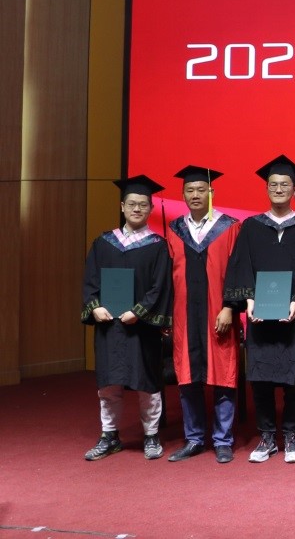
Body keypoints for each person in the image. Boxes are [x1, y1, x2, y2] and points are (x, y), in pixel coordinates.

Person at [223, 154, 295, 464]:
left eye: (285, 185)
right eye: (273, 184)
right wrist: (249, 300)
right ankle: (267, 436)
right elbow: (241, 266)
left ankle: (292, 435)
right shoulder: (252, 227)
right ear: (266, 188)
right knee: (261, 378)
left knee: (294, 380)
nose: (279, 189)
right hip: (259, 316)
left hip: (294, 316)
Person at [81, 175, 174, 461]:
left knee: (147, 383)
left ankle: (151, 435)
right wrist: (95, 307)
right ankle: (109, 435)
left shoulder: (157, 245)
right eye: (132, 204)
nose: (137, 209)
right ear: (122, 206)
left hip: (142, 327)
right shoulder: (103, 243)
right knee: (108, 383)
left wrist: (139, 312)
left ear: (150, 209)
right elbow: (90, 280)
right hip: (109, 325)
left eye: (143, 205)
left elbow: (161, 286)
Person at [164, 166, 240, 464]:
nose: (195, 195)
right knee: (187, 377)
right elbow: (167, 276)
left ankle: (223, 440)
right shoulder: (174, 230)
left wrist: (229, 307)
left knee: (223, 375)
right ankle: (194, 438)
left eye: (201, 189)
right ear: (183, 194)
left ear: (211, 192)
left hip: (219, 313)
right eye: (190, 190)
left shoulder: (229, 227)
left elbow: (237, 272)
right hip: (184, 315)